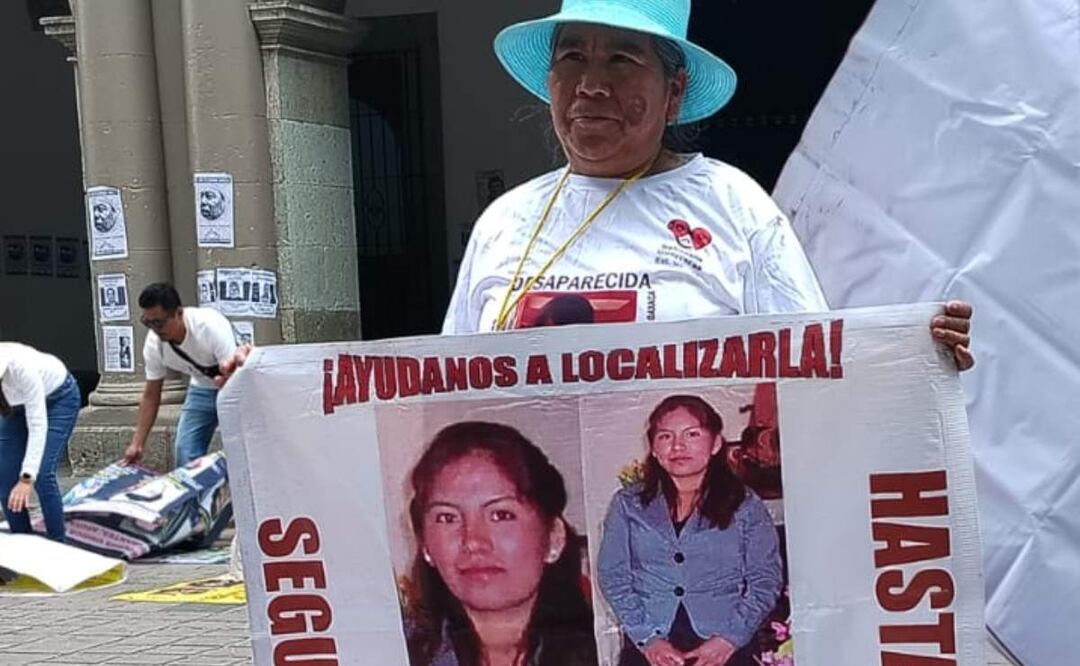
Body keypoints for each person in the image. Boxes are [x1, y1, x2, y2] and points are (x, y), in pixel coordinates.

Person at [438, 0, 974, 369]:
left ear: (673, 92)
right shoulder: (504, 224)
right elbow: (444, 391)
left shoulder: (733, 207)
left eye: (622, 60)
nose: (592, 84)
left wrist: (908, 354)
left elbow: (814, 365)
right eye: (572, 57)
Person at [598, 395, 781, 666]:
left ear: (716, 443)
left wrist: (730, 639)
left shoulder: (745, 504)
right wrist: (647, 640)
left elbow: (766, 579)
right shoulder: (627, 504)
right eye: (665, 437)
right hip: (650, 648)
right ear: (654, 449)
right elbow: (613, 576)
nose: (678, 446)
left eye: (692, 434)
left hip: (726, 647)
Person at [403, 421, 597, 666]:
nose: (473, 541)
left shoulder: (613, 649)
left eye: (501, 515)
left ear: (554, 538)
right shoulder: (388, 647)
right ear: (426, 546)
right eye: (447, 517)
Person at [124, 283, 237, 467]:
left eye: (159, 323)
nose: (155, 329)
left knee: (238, 449)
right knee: (185, 451)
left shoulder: (209, 326)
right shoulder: (154, 344)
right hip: (202, 387)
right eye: (148, 323)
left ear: (178, 313)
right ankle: (194, 495)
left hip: (234, 384)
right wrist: (137, 443)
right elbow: (151, 395)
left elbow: (234, 379)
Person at [0, 343, 81, 542]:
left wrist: (26, 478)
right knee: (5, 476)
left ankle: (58, 543)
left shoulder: (21, 368)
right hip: (15, 409)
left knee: (43, 474)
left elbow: (38, 425)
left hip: (57, 399)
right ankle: (23, 542)